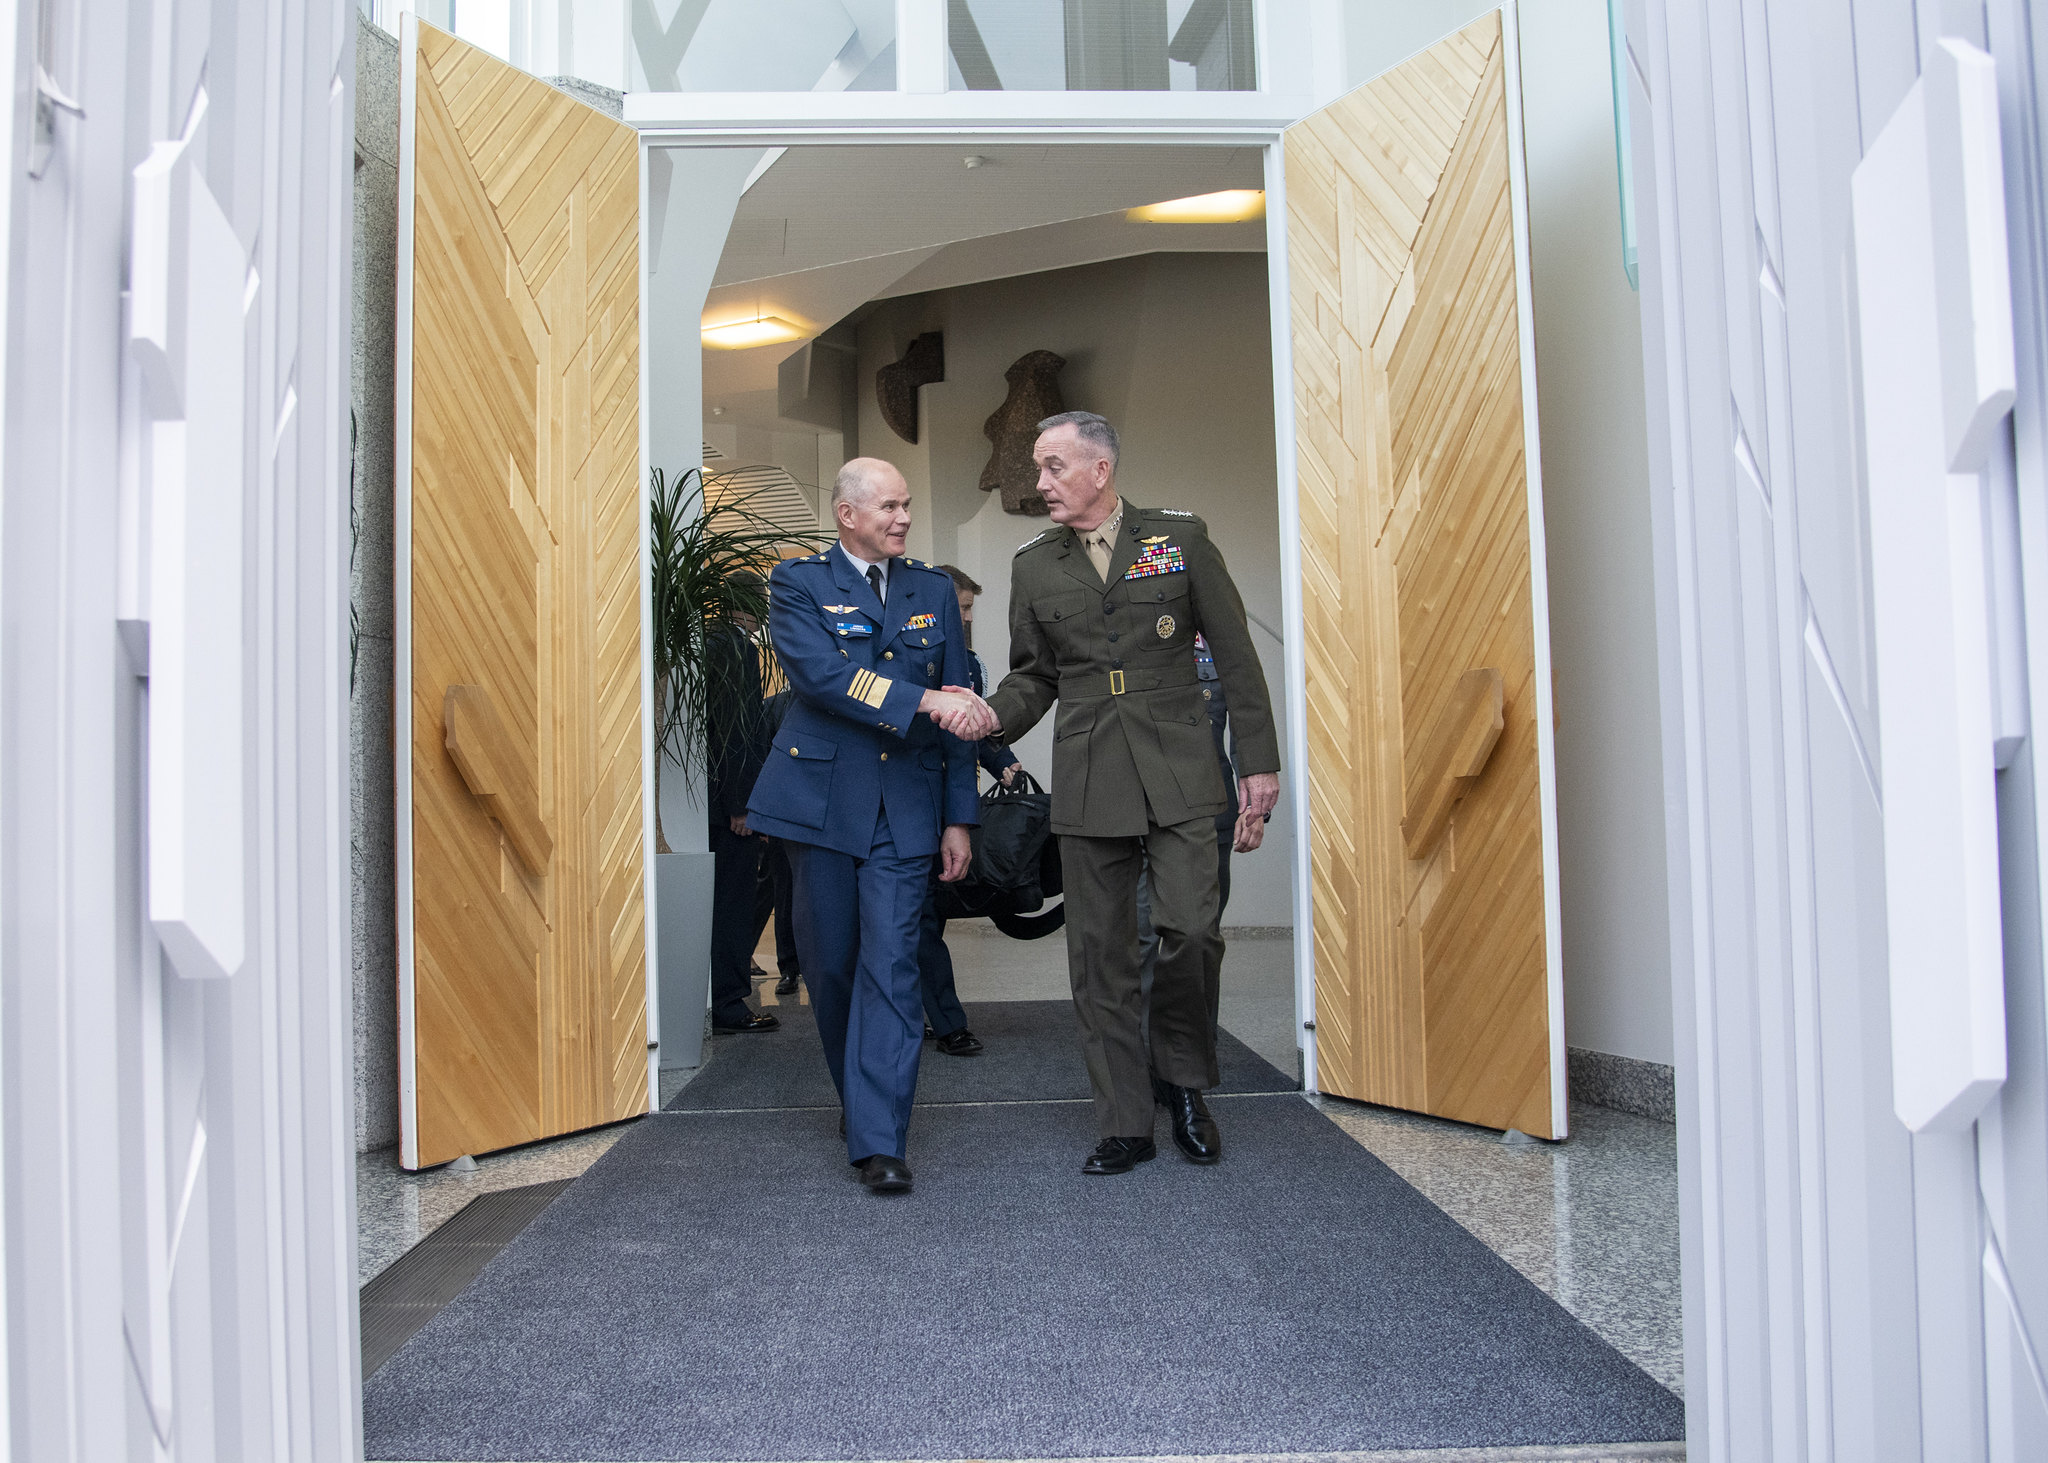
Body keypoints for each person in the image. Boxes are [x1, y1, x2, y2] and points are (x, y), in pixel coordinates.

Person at [982, 411, 1280, 1175]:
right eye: (1038, 468)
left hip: (1180, 762)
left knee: (1189, 930)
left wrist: (1258, 761)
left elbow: (1239, 658)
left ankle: (1182, 1082)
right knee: (1100, 954)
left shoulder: (1177, 539)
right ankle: (1124, 1119)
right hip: (1089, 769)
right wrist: (991, 715)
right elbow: (1034, 675)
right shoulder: (1035, 564)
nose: (1039, 482)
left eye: (1052, 467)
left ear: (1099, 470)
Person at [745, 458, 989, 1194]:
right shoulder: (799, 583)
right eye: (887, 506)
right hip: (818, 804)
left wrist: (958, 816)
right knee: (833, 966)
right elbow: (821, 675)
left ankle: (880, 1138)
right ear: (846, 514)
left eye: (907, 504)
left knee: (893, 965)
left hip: (905, 807)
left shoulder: (932, 589)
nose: (903, 517)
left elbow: (957, 704)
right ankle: (862, 1097)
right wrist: (924, 701)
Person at [914, 566, 1022, 1058]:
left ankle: (929, 1013)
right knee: (918, 918)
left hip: (954, 802)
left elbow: (970, 731)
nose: (967, 617)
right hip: (910, 801)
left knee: (926, 917)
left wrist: (1002, 761)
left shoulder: (971, 665)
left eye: (970, 608)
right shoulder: (908, 658)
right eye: (961, 607)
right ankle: (945, 1019)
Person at [705, 608, 781, 1035]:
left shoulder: (702, 643)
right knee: (734, 905)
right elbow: (738, 731)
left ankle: (716, 1000)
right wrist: (742, 804)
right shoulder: (737, 649)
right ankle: (730, 1004)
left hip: (704, 803)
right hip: (730, 806)